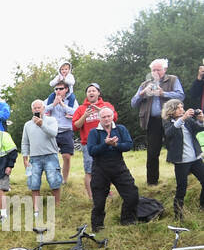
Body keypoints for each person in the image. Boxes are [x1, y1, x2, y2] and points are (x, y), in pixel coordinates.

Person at [130, 58, 185, 187]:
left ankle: (183, 178)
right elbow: (133, 103)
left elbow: (181, 96)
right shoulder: (145, 84)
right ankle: (152, 182)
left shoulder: (172, 79)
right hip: (152, 121)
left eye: (158, 69)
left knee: (176, 147)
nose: (155, 72)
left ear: (165, 70)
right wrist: (143, 93)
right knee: (152, 152)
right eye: (153, 70)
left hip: (170, 119)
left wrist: (163, 93)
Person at [87, 107, 140, 231]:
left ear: (112, 117)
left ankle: (127, 221)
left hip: (118, 165)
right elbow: (91, 151)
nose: (106, 119)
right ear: (99, 118)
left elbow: (129, 145)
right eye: (103, 117)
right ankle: (97, 228)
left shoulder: (120, 129)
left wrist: (116, 145)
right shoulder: (94, 132)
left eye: (108, 116)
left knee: (132, 194)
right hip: (100, 168)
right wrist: (105, 144)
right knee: (99, 202)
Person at [72, 83, 119, 201]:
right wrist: (84, 116)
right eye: (89, 91)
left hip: (107, 141)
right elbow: (75, 126)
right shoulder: (81, 108)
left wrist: (101, 111)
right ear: (86, 94)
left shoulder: (106, 105)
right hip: (88, 144)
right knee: (90, 171)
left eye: (93, 90)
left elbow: (115, 118)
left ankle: (107, 192)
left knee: (107, 168)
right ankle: (92, 197)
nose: (91, 93)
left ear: (98, 93)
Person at [161, 100, 204, 220]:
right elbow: (169, 133)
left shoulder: (189, 120)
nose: (181, 109)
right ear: (171, 111)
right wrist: (183, 119)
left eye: (182, 107)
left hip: (195, 158)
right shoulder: (168, 122)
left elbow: (200, 128)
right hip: (181, 161)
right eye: (178, 108)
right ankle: (178, 216)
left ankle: (202, 206)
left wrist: (201, 119)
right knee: (181, 188)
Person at [20, 99, 62, 216]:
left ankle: (57, 206)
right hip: (34, 157)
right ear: (32, 109)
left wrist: (42, 124)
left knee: (54, 181)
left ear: (44, 109)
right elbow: (25, 142)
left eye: (39, 107)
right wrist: (25, 157)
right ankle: (36, 209)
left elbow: (54, 133)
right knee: (34, 183)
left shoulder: (51, 120)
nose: (37, 110)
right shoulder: (27, 125)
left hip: (50, 155)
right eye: (35, 108)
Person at [44, 81, 78, 186]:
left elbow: (77, 112)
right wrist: (53, 104)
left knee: (66, 156)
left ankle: (65, 179)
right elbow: (40, 109)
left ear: (66, 89)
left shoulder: (72, 100)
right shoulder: (49, 99)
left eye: (61, 89)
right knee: (50, 156)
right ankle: (53, 178)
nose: (58, 91)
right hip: (52, 131)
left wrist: (63, 105)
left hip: (66, 131)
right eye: (56, 89)